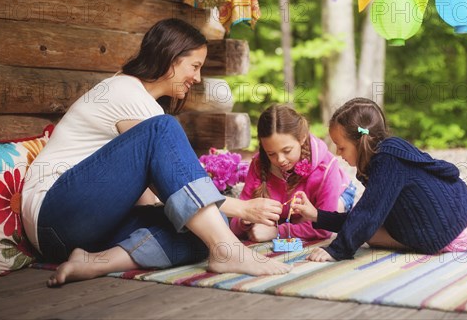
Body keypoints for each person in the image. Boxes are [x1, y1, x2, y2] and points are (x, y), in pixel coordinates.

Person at [22, 19, 292, 287]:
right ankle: (228, 250)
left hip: (85, 229)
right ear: (171, 58)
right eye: (195, 66)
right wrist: (242, 207)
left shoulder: (145, 109)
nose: (197, 78)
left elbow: (153, 197)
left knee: (205, 228)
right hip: (55, 216)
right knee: (165, 133)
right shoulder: (124, 91)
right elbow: (165, 184)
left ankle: (95, 262)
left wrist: (208, 215)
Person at [291, 97, 467, 262]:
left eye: (341, 147)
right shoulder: (385, 154)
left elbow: (367, 215)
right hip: (462, 212)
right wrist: (316, 215)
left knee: (369, 233)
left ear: (360, 141)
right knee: (365, 228)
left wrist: (336, 250)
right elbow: (364, 215)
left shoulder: (387, 159)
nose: (338, 154)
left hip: (452, 231)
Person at [230, 104, 356, 242]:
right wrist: (245, 220)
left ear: (302, 138)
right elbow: (235, 224)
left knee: (312, 216)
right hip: (289, 209)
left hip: (339, 193)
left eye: (287, 150)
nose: (280, 160)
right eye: (271, 154)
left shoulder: (326, 166)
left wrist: (278, 231)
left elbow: (325, 228)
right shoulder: (258, 164)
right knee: (291, 219)